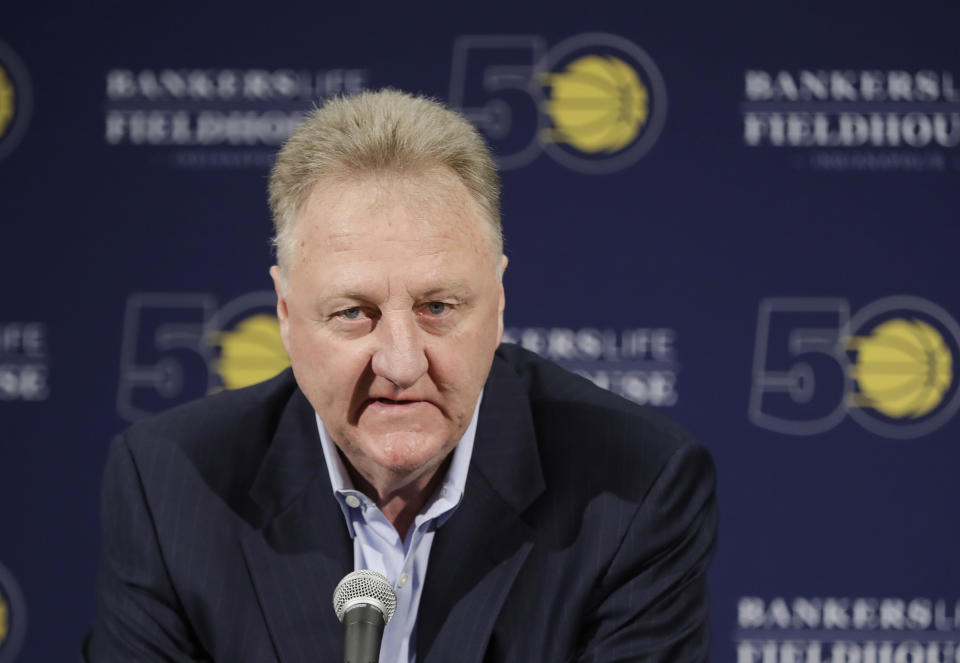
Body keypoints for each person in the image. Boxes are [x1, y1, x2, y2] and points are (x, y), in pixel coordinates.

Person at [87, 89, 717, 662]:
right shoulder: (173, 486)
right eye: (353, 313)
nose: (400, 362)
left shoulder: (632, 488)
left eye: (437, 307)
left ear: (497, 305)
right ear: (285, 314)